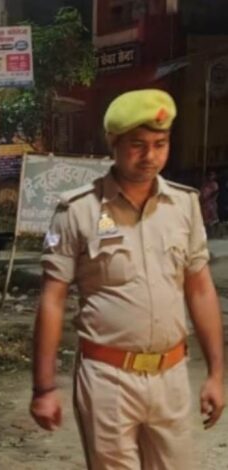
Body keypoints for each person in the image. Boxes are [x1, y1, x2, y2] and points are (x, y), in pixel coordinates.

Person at [30, 88, 225, 469]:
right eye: (137, 145)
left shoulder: (184, 205)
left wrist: (217, 374)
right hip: (107, 378)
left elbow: (200, 289)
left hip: (171, 376)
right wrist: (44, 386)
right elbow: (52, 299)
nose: (150, 156)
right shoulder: (78, 211)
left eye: (160, 144)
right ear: (113, 143)